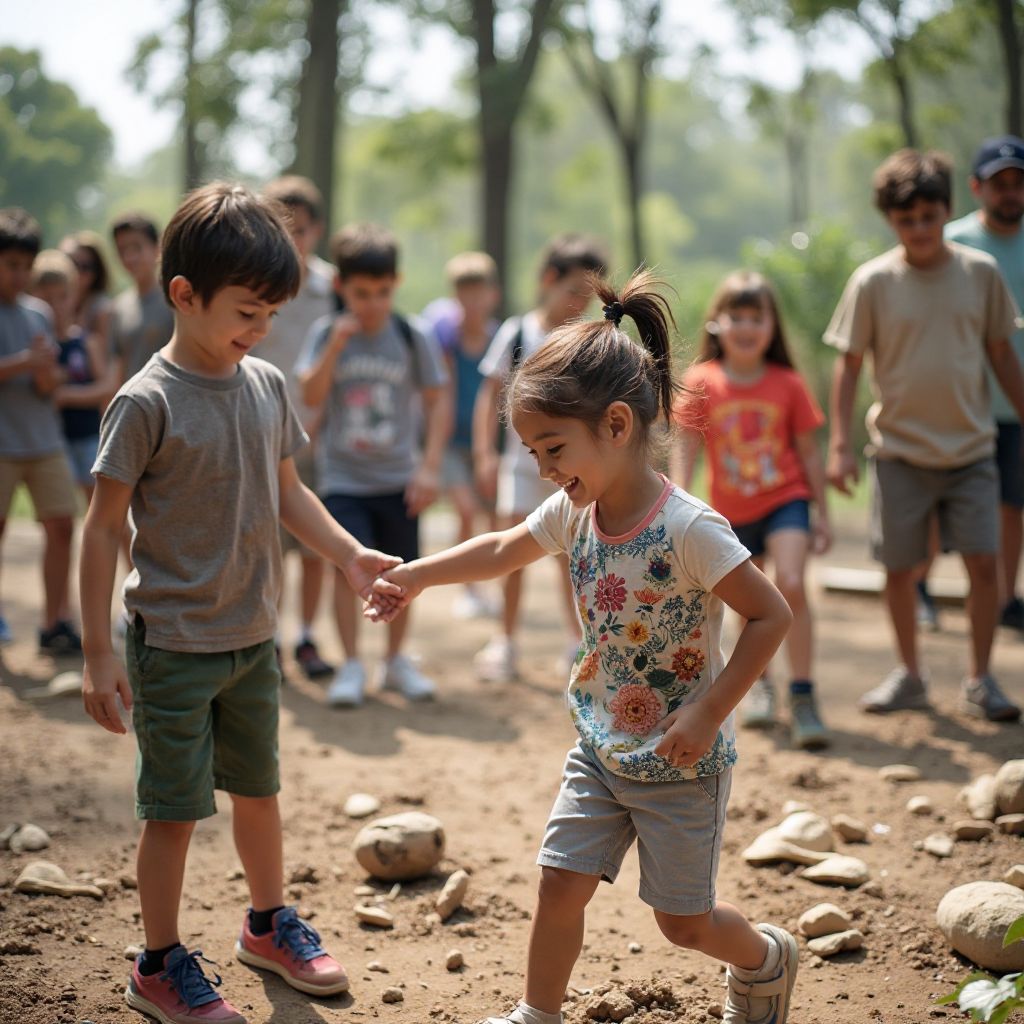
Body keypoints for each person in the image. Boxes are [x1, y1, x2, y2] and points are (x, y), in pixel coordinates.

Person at [367, 270, 798, 1024]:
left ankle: (765, 958)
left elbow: (772, 616)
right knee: (558, 881)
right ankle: (538, 1013)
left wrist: (709, 713)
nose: (543, 470)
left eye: (553, 447)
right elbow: (502, 547)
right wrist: (416, 576)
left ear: (619, 426)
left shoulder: (691, 529)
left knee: (682, 924)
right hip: (600, 742)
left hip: (681, 759)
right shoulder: (576, 511)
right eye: (534, 451)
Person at [80, 183, 405, 1024]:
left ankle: (266, 925)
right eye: (247, 313)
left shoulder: (264, 385)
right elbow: (98, 528)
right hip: (174, 644)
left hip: (253, 638)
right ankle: (158, 963)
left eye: (269, 316)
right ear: (183, 295)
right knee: (176, 812)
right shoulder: (145, 402)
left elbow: (288, 490)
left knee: (259, 793)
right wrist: (95, 650)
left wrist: (346, 553)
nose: (259, 333)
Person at [826, 149, 1024, 722]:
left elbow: (1002, 355)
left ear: (947, 210)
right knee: (900, 569)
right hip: (900, 453)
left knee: (985, 566)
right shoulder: (873, 281)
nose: (918, 230)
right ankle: (910, 674)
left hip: (971, 450)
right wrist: (840, 445)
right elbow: (848, 366)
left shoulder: (979, 274)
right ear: (891, 220)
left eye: (929, 217)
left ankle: (980, 678)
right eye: (905, 220)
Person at [672, 271, 831, 750]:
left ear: (770, 325)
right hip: (730, 511)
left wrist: (821, 511)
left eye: (755, 317)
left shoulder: (788, 383)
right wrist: (678, 504)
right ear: (717, 323)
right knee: (751, 602)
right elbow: (685, 448)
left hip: (786, 500)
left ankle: (802, 694)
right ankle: (759, 687)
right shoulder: (700, 381)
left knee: (792, 584)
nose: (745, 326)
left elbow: (807, 453)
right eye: (735, 316)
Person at [296, 222, 449, 707]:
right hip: (343, 477)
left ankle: (396, 661)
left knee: (402, 571)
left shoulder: (411, 333)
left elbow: (436, 400)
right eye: (361, 293)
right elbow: (310, 394)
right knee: (349, 567)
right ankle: (352, 664)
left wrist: (428, 467)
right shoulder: (325, 333)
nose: (373, 304)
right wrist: (337, 345)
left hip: (398, 478)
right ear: (341, 286)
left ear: (395, 284)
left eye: (383, 292)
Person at [471, 235, 606, 682]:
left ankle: (578, 642)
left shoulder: (585, 341)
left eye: (587, 299)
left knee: (571, 557)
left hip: (572, 470)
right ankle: (506, 641)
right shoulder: (517, 332)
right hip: (520, 465)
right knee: (510, 553)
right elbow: (490, 395)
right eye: (573, 293)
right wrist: (484, 453)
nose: (578, 305)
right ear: (549, 280)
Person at [260, 175, 337, 679]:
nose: (293, 239)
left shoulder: (333, 290)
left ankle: (307, 636)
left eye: (301, 229)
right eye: (282, 227)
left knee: (315, 545)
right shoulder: (256, 281)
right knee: (268, 547)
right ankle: (270, 641)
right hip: (263, 431)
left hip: (320, 435)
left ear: (317, 230)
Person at [946, 135, 1024, 633]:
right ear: (978, 188)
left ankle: (1004, 597)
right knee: (944, 503)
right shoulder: (952, 244)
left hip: (1016, 405)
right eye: (1000, 185)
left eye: (1018, 183)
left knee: (1012, 503)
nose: (1010, 193)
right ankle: (923, 588)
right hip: (961, 404)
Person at [0, 209, 81, 652]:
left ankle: (55, 622)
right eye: (11, 264)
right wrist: (23, 363)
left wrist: (46, 371)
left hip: (43, 439)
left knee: (63, 526)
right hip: (2, 443)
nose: (20, 274)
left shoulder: (39, 316)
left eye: (25, 266)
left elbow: (47, 385)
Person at [423, 251, 502, 619]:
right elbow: (443, 389)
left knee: (494, 516)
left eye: (478, 293)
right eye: (463, 294)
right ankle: (468, 589)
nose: (471, 302)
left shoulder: (499, 339)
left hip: (487, 441)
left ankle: (495, 586)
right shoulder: (445, 339)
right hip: (453, 441)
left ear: (492, 295)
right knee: (467, 510)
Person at [28, 250, 107, 501]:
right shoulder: (37, 347)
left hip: (88, 436)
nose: (55, 305)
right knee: (61, 506)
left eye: (62, 297)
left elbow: (106, 387)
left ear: (74, 295)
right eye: (46, 298)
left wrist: (67, 395)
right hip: (54, 441)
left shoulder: (85, 343)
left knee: (97, 502)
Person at [110, 213, 175, 384]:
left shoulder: (175, 299)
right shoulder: (119, 307)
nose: (129, 258)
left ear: (157, 247)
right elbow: (119, 368)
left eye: (136, 248)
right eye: (122, 250)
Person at [60, 230, 114, 358]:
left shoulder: (101, 308)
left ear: (96, 272)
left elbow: (106, 362)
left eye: (85, 266)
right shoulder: (48, 302)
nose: (77, 272)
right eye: (71, 264)